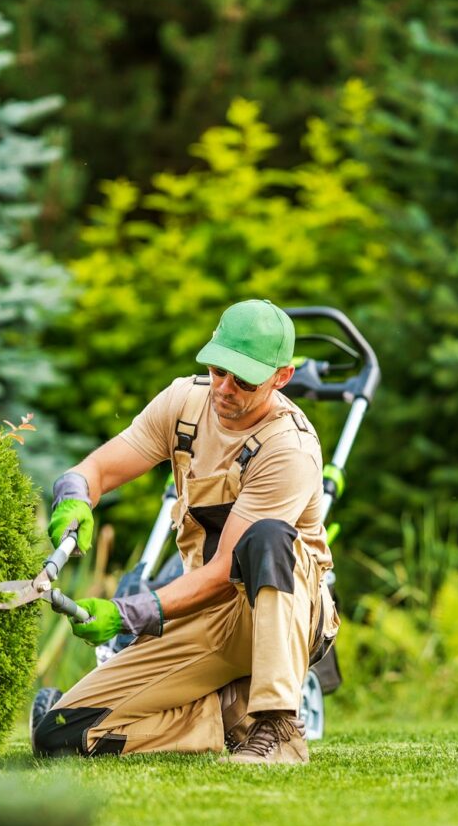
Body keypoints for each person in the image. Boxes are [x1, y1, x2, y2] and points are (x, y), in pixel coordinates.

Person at [32, 298, 339, 764]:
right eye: (218, 370)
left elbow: (221, 573)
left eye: (244, 379)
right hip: (202, 615)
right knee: (57, 735)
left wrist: (126, 613)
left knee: (268, 537)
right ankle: (224, 712)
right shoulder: (184, 402)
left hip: (278, 614)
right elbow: (98, 468)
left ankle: (279, 727)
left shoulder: (288, 449)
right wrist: (74, 495)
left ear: (282, 378)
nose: (225, 388)